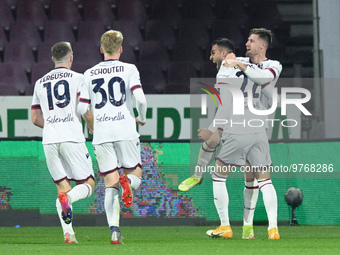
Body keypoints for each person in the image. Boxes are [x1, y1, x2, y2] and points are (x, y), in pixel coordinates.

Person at [205, 28, 282, 240]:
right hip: (257, 131)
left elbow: (263, 77)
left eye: (251, 41)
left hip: (241, 128)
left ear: (262, 45)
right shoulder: (238, 60)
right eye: (247, 40)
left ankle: (226, 226)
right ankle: (257, 228)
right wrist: (227, 60)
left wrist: (236, 64)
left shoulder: (272, 65)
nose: (246, 43)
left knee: (220, 175)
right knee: (258, 179)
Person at [78, 30, 147, 244]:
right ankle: (128, 182)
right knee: (134, 174)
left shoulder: (88, 73)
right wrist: (141, 117)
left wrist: (90, 124)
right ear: (121, 48)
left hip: (102, 133)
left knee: (110, 183)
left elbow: (82, 108)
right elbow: (141, 99)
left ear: (101, 49)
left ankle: (114, 231)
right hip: (125, 128)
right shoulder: (129, 69)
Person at [31, 42, 95, 243]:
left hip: (49, 140)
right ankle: (70, 200)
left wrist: (51, 125)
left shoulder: (40, 82)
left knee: (62, 186)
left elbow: (34, 118)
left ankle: (69, 234)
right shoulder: (78, 78)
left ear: (52, 59)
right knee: (88, 183)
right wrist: (92, 127)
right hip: (72, 136)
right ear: (71, 57)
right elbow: (85, 110)